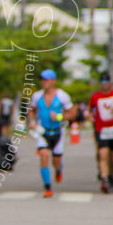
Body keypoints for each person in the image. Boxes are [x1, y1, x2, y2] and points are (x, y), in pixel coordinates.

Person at [28, 69, 76, 198]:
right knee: (44, 155)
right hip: (43, 131)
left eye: (46, 80)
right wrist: (32, 121)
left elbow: (72, 113)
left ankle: (59, 169)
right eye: (42, 80)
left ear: (53, 81)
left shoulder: (62, 96)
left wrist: (59, 117)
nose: (44, 82)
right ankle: (48, 187)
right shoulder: (37, 96)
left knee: (56, 161)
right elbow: (31, 110)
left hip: (58, 131)